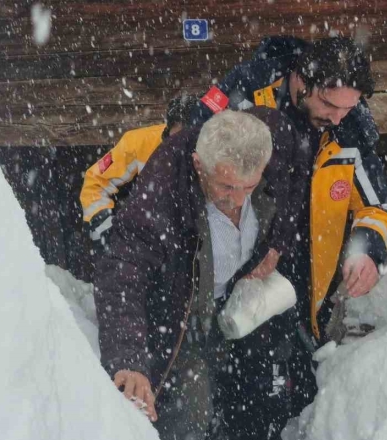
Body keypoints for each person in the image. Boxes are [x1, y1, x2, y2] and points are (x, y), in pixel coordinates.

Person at [94, 108, 308, 440]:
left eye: (248, 187)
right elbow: (122, 273)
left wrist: (277, 243)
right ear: (198, 164)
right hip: (180, 316)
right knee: (189, 414)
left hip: (238, 306)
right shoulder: (162, 190)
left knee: (259, 401)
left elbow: (296, 177)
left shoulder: (274, 140)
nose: (237, 200)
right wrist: (129, 359)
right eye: (226, 186)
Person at [189, 36, 387, 345]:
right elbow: (192, 155)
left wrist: (366, 252)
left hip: (306, 277)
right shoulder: (245, 93)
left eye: (348, 107)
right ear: (300, 80)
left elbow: (376, 207)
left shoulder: (350, 129)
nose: (337, 118)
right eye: (328, 104)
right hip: (238, 266)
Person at [80, 94, 197, 245]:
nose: (179, 147)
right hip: (143, 236)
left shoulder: (220, 149)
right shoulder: (137, 144)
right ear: (167, 129)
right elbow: (95, 182)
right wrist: (107, 228)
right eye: (175, 139)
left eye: (188, 141)